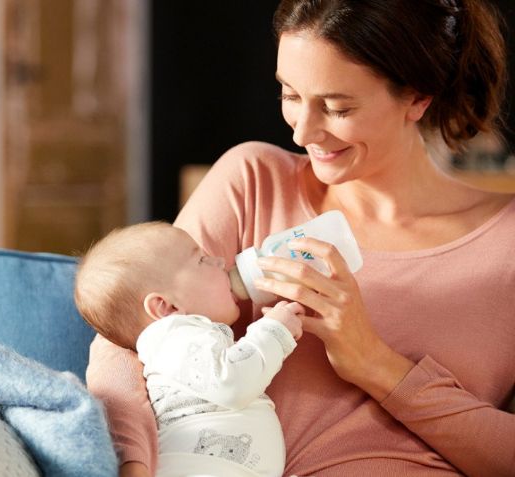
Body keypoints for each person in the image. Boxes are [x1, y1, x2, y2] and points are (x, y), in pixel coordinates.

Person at [86, 1, 515, 476]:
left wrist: (376, 365)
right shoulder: (252, 182)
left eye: (337, 107)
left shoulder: (506, 244)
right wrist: (133, 461)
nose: (303, 132)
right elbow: (126, 337)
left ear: (418, 97)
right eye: (290, 95)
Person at [75, 221, 304, 476]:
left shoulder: (184, 341)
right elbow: (232, 383)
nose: (219, 261)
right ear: (166, 307)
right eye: (202, 260)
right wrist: (273, 331)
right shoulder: (171, 338)